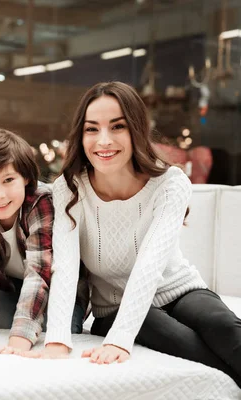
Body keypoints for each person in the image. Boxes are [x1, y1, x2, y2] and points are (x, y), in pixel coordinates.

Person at [36, 81, 240, 387]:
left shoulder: (170, 183)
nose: (103, 141)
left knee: (221, 325)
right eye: (92, 129)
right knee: (166, 331)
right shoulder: (70, 186)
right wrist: (57, 340)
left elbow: (150, 265)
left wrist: (119, 341)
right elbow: (65, 267)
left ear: (136, 129)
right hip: (114, 308)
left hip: (180, 289)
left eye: (117, 127)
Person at [0, 128, 88, 354]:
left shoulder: (42, 201)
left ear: (26, 178)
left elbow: (39, 271)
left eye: (8, 180)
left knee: (59, 328)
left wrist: (17, 345)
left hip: (58, 293)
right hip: (12, 287)